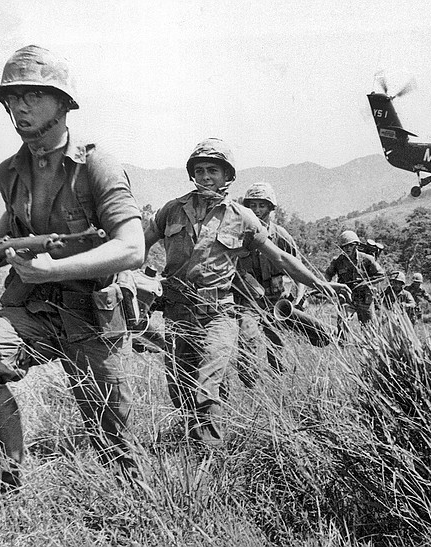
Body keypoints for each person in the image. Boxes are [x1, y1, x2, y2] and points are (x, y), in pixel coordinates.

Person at [0, 45, 146, 492]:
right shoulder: (10, 170)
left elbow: (132, 248)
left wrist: (54, 271)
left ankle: (139, 509)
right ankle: (5, 487)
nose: (19, 106)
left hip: (91, 315)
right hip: (31, 308)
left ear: (63, 103)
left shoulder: (97, 165)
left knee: (113, 439)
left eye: (33, 95)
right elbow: (16, 223)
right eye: (12, 97)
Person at [143, 139, 350, 445]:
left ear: (227, 176)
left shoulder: (242, 218)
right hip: (178, 312)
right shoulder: (171, 211)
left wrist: (320, 283)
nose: (205, 176)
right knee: (180, 387)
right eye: (199, 170)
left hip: (219, 314)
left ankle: (209, 456)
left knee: (206, 385)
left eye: (213, 170)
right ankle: (193, 439)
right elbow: (138, 246)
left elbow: (280, 257)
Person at [233, 182, 305, 385]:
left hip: (277, 299)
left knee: (277, 346)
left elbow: (296, 267)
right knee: (247, 340)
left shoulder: (281, 235)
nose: (257, 210)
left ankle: (278, 386)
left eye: (261, 205)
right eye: (253, 205)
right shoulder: (240, 234)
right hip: (249, 300)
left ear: (271, 207)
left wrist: (298, 298)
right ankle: (251, 389)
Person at [324, 230, 386, 333]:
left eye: (350, 245)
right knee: (342, 326)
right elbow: (328, 274)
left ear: (356, 245)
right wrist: (326, 285)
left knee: (370, 329)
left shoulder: (367, 259)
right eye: (344, 246)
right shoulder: (337, 261)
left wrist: (364, 283)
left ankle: (369, 347)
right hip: (346, 297)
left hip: (364, 298)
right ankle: (343, 345)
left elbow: (381, 275)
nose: (347, 248)